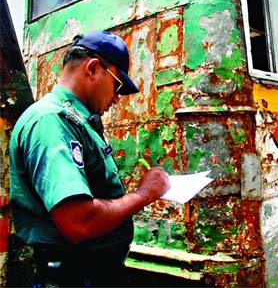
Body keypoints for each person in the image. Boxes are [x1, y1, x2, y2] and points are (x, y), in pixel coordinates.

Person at [8, 30, 171, 286]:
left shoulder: (78, 121)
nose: (117, 98)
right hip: (66, 276)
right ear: (93, 68)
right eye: (117, 85)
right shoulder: (51, 121)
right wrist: (144, 195)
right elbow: (78, 222)